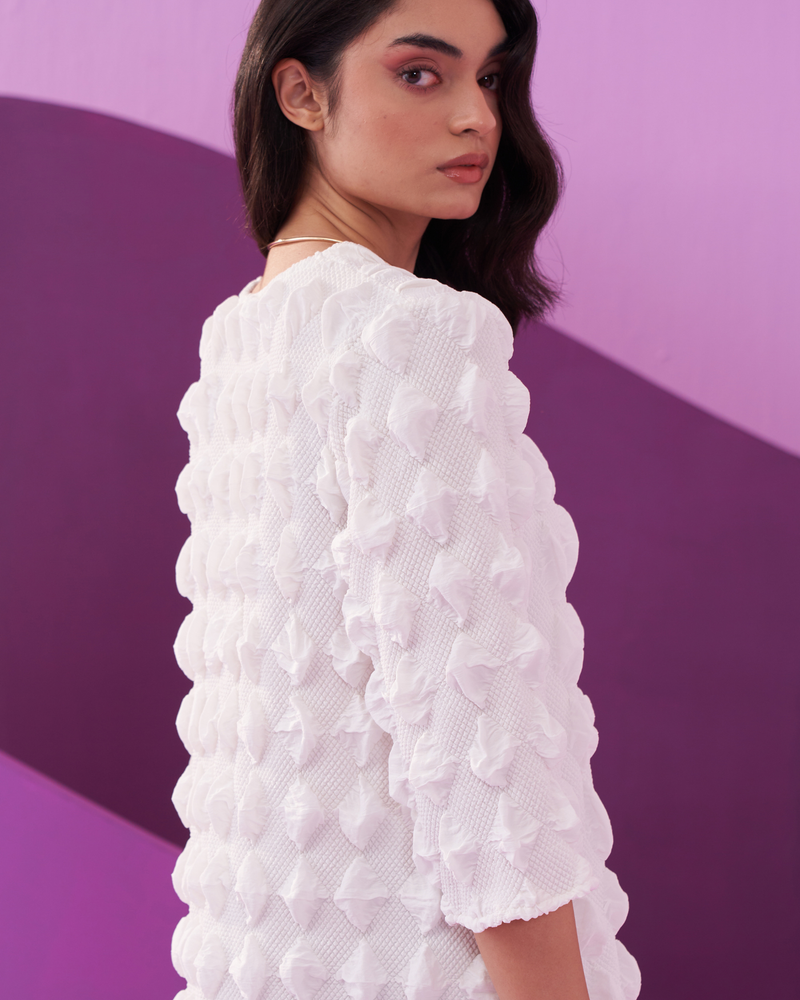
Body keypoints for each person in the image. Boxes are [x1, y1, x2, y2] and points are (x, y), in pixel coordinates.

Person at [170, 0, 641, 998]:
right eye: (420, 73)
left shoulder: (240, 336)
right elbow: (483, 756)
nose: (477, 117)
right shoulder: (409, 334)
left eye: (490, 78)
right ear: (300, 93)